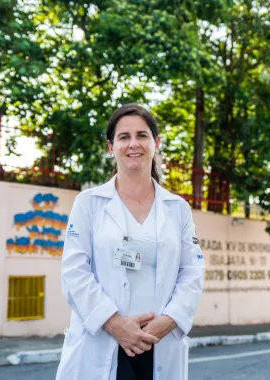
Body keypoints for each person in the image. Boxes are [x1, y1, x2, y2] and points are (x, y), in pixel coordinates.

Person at [55, 104, 205, 380]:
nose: (133, 144)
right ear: (111, 147)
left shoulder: (177, 208)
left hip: (160, 341)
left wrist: (169, 320)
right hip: (102, 339)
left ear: (156, 143)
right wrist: (114, 323)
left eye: (142, 135)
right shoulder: (88, 203)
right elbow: (74, 272)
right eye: (124, 137)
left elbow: (192, 272)